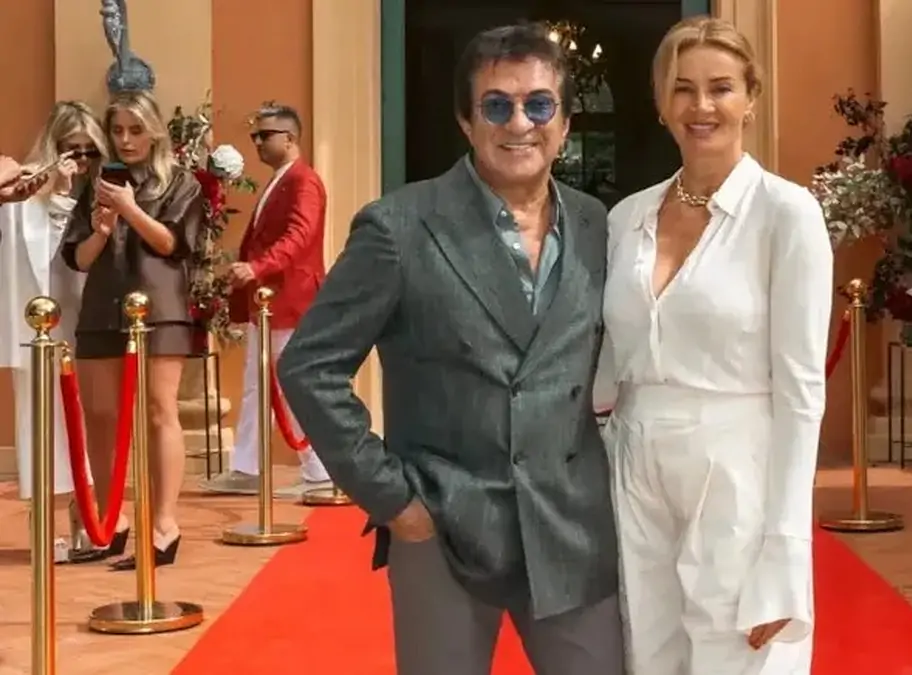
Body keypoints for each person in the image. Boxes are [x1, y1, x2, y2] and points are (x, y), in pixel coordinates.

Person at [277, 23, 623, 675]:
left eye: (538, 104)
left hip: (570, 527)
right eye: (496, 105)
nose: (519, 123)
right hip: (444, 526)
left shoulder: (597, 225)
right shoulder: (399, 227)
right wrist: (394, 500)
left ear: (565, 124)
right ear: (466, 121)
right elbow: (309, 365)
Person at [597, 16, 832, 675]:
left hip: (737, 462)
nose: (701, 106)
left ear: (751, 97)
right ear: (661, 103)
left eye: (721, 87)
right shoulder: (627, 218)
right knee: (648, 655)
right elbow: (609, 361)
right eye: (683, 88)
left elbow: (802, 391)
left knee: (737, 658)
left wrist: (786, 549)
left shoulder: (787, 214)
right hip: (634, 461)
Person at [61, 90, 206, 571]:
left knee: (160, 411)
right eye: (118, 130)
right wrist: (102, 230)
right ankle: (110, 521)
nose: (125, 139)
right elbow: (80, 259)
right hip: (102, 307)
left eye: (135, 130)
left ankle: (164, 526)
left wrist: (129, 209)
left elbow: (171, 243)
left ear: (154, 131)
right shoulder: (97, 184)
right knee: (100, 414)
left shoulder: (180, 183)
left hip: (158, 308)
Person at [199, 103, 332, 498]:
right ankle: (250, 468)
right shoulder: (281, 180)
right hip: (269, 303)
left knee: (289, 384)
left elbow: (299, 236)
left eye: (265, 135)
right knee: (259, 384)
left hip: (291, 301)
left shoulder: (304, 182)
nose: (256, 141)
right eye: (255, 135)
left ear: (289, 138)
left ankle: (320, 470)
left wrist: (257, 267)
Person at [0, 102, 106, 563]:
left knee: (89, 428)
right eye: (70, 150)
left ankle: (89, 521)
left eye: (88, 151)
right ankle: (45, 527)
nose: (79, 161)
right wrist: (57, 192)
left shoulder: (105, 192)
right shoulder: (26, 194)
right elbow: (43, 256)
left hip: (89, 327)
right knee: (42, 430)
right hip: (40, 331)